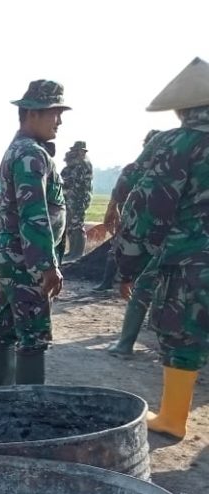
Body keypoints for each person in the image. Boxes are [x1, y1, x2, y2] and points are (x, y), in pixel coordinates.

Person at [117, 57, 209, 439]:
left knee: (181, 334)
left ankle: (173, 417)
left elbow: (147, 208)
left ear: (182, 106)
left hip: (191, 261)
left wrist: (128, 266)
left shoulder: (177, 142)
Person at [0, 79, 69, 386]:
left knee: (6, 328)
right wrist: (47, 266)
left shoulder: (19, 149)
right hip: (24, 257)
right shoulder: (30, 154)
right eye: (54, 113)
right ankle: (29, 415)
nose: (59, 121)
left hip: (12, 253)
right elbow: (33, 214)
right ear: (32, 113)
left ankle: (0, 402)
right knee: (33, 337)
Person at [94, 129, 162, 294]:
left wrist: (113, 206)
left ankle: (135, 285)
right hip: (135, 216)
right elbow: (122, 185)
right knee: (117, 247)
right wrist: (114, 207)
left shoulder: (163, 168)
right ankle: (109, 282)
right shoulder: (142, 167)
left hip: (152, 218)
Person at [60, 140, 93, 259]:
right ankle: (72, 252)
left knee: (77, 224)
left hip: (80, 198)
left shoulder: (84, 164)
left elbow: (77, 182)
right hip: (71, 197)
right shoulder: (74, 164)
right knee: (70, 224)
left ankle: (78, 253)